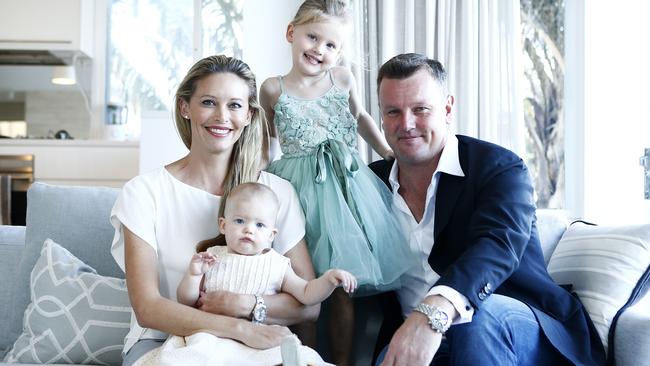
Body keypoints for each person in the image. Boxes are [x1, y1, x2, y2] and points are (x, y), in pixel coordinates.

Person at [369, 53, 606, 366]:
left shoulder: (500, 168)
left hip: (516, 327)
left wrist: (432, 312)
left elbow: (497, 244)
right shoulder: (370, 184)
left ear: (448, 108)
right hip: (415, 342)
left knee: (480, 320)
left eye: (420, 109)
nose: (407, 124)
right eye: (393, 112)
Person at [110, 55, 319, 366]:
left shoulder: (277, 193)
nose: (222, 116)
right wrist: (237, 327)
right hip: (162, 342)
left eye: (235, 105)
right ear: (185, 107)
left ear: (249, 115)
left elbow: (309, 307)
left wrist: (245, 306)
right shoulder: (144, 192)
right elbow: (148, 307)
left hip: (254, 348)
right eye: (208, 102)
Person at [259, 1, 416, 364]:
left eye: (331, 45)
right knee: (300, 285)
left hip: (346, 191)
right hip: (296, 189)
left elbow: (360, 117)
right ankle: (303, 359)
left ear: (340, 52)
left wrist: (386, 151)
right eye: (313, 37)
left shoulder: (342, 79)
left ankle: (342, 362)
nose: (320, 50)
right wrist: (259, 183)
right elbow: (267, 143)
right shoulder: (272, 89)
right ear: (291, 33)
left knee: (342, 285)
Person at [136, 183, 356, 365]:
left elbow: (307, 294)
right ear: (223, 225)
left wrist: (328, 280)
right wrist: (194, 275)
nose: (249, 229)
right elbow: (187, 301)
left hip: (258, 340)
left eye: (260, 225)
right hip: (212, 336)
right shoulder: (212, 257)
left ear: (272, 235)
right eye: (240, 221)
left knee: (298, 357)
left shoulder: (277, 265)